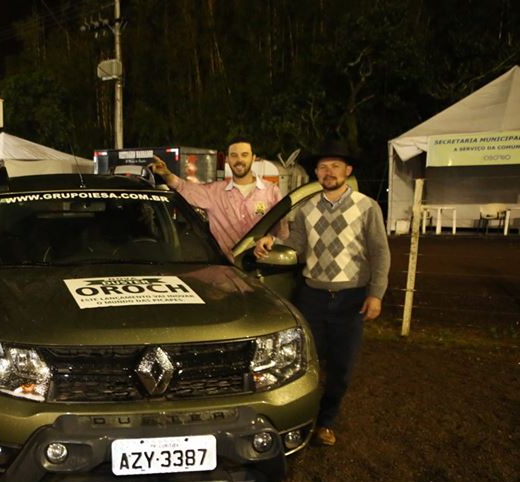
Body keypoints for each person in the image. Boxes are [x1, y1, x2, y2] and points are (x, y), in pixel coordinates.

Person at [254, 140, 390, 447]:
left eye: (336, 166)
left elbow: (380, 253)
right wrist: (273, 242)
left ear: (348, 170)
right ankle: (305, 417)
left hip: (351, 298)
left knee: (341, 366)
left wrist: (376, 294)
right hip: (312, 296)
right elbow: (298, 246)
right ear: (316, 172)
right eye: (323, 167)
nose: (329, 172)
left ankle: (327, 421)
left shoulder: (367, 206)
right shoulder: (306, 208)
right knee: (306, 363)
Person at [149, 137, 282, 257]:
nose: (239, 160)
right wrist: (166, 175)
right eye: (234, 155)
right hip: (227, 269)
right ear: (227, 159)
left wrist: (270, 238)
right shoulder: (214, 192)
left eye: (244, 155)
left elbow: (282, 232)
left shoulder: (271, 191)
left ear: (253, 158)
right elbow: (183, 187)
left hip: (263, 267)